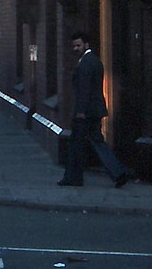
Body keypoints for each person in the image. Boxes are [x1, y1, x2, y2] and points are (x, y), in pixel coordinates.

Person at [58, 32, 130, 188]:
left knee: (76, 145)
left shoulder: (85, 63)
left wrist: (80, 111)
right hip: (95, 110)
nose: (75, 48)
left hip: (85, 112)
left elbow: (84, 89)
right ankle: (118, 172)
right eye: (74, 46)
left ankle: (73, 177)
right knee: (97, 141)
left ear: (86, 44)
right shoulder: (95, 61)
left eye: (78, 45)